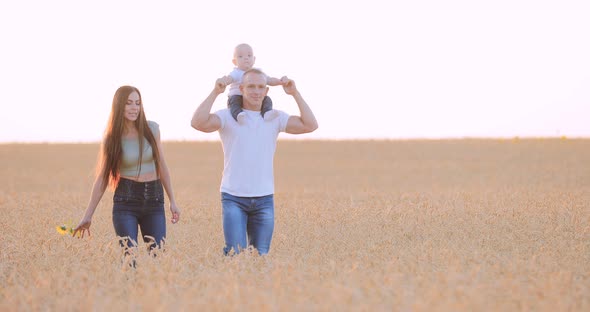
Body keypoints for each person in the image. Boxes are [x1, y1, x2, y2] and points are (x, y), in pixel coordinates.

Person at [191, 68, 318, 255]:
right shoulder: (227, 117)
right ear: (241, 88)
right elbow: (198, 123)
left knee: (261, 257)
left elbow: (310, 125)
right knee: (235, 254)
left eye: (260, 87)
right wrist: (215, 92)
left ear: (266, 91)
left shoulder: (275, 118)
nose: (256, 91)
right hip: (233, 197)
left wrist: (295, 94)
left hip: (264, 199)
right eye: (251, 86)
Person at [73, 86, 181, 253]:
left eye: (137, 103)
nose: (134, 108)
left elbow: (162, 166)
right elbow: (102, 178)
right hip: (126, 202)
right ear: (119, 106)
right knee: (129, 257)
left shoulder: (152, 129)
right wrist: (88, 215)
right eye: (128, 103)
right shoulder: (112, 138)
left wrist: (173, 201)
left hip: (154, 201)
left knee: (159, 256)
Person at [219, 43, 285, 124]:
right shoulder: (236, 72)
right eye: (240, 56)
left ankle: (267, 113)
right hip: (237, 96)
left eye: (249, 55)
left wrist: (280, 82)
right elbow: (229, 79)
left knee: (267, 99)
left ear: (254, 59)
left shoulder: (258, 73)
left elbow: (269, 80)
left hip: (252, 96)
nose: (246, 58)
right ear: (234, 61)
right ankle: (238, 115)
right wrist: (224, 81)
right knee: (234, 104)